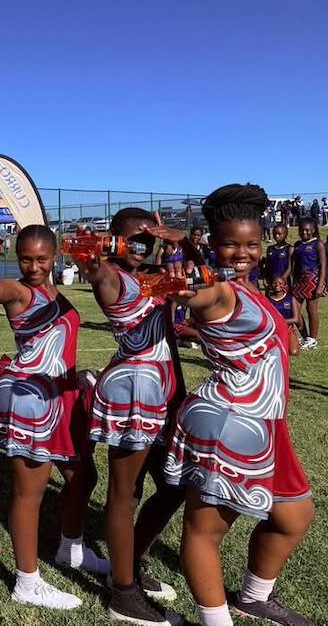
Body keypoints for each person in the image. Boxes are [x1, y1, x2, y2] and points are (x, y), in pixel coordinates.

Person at [164, 183, 314, 626]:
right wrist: (186, 288)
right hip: (231, 423)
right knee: (205, 531)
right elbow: (203, 294)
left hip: (267, 422)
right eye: (231, 244)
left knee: (295, 516)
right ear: (215, 244)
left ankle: (253, 597)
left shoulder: (245, 285)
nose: (242, 253)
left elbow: (220, 276)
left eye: (251, 244)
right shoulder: (221, 292)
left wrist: (188, 245)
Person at [0, 225, 108, 611]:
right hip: (32, 399)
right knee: (29, 493)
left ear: (55, 257)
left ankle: (71, 549)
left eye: (42, 259)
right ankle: (27, 582)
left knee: (83, 476)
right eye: (25, 259)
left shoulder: (55, 292)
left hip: (62, 395)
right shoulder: (18, 291)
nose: (33, 267)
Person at [70, 208, 189, 625]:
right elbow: (94, 270)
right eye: (130, 238)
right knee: (126, 493)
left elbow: (204, 283)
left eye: (147, 239)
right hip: (135, 391)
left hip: (165, 390)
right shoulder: (114, 277)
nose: (140, 246)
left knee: (175, 486)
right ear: (114, 238)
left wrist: (182, 241)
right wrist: (94, 255)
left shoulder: (154, 275)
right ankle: (123, 593)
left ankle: (129, 564)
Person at [291, 217, 325, 349]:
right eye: (301, 230)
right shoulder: (297, 244)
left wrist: (320, 285)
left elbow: (323, 265)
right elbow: (293, 264)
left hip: (313, 280)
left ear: (313, 230)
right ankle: (305, 337)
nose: (304, 233)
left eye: (307, 230)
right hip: (299, 281)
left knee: (311, 310)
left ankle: (313, 339)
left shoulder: (318, 244)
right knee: (295, 309)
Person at [267, 275, 302, 356]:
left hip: (288, 329)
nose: (277, 285)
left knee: (294, 352)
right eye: (274, 283)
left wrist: (279, 321)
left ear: (285, 285)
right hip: (273, 329)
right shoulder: (268, 299)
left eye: (280, 283)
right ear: (271, 284)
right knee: (272, 352)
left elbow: (295, 319)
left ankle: (292, 339)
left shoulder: (291, 298)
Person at [261, 223, 292, 288]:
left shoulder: (289, 248)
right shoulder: (270, 248)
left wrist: (282, 279)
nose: (277, 236)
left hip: (283, 282)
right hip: (271, 281)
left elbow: (290, 267)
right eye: (274, 234)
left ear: (285, 234)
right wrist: (264, 278)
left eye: (279, 234)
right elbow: (267, 265)